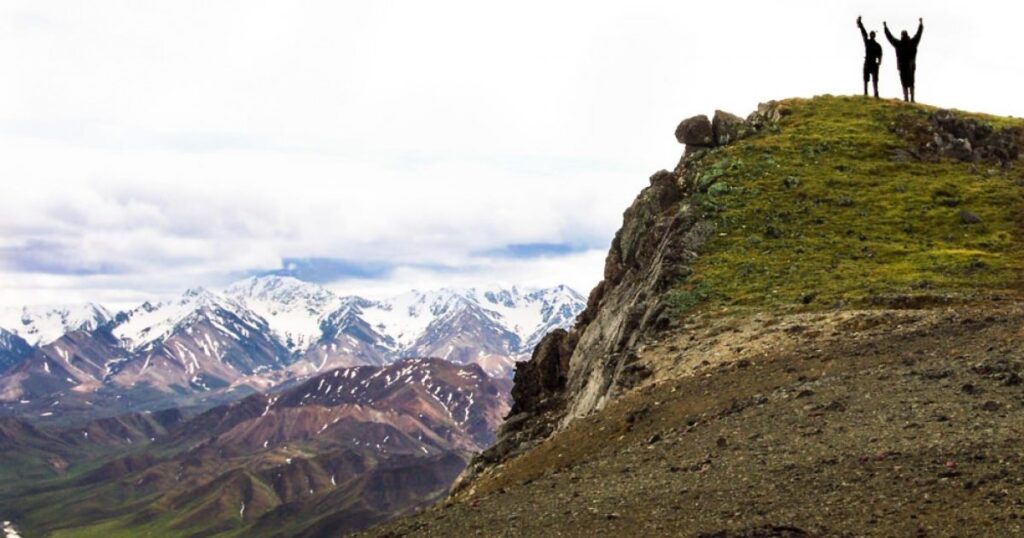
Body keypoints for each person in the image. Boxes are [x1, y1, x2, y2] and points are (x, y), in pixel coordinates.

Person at [884, 18, 924, 103]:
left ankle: (907, 98)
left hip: (903, 65)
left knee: (905, 82)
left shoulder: (899, 44)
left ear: (901, 36)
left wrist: (885, 28)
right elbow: (919, 34)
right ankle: (911, 99)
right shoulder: (912, 42)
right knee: (911, 81)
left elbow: (890, 37)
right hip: (910, 65)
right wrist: (921, 24)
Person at [857, 16, 883, 98]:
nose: (871, 35)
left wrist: (879, 61)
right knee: (866, 79)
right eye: (871, 34)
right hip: (868, 62)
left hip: (873, 63)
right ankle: (866, 92)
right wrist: (860, 23)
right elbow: (863, 32)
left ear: (874, 36)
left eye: (872, 34)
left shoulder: (877, 45)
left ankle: (876, 93)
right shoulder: (868, 42)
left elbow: (880, 54)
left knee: (875, 79)